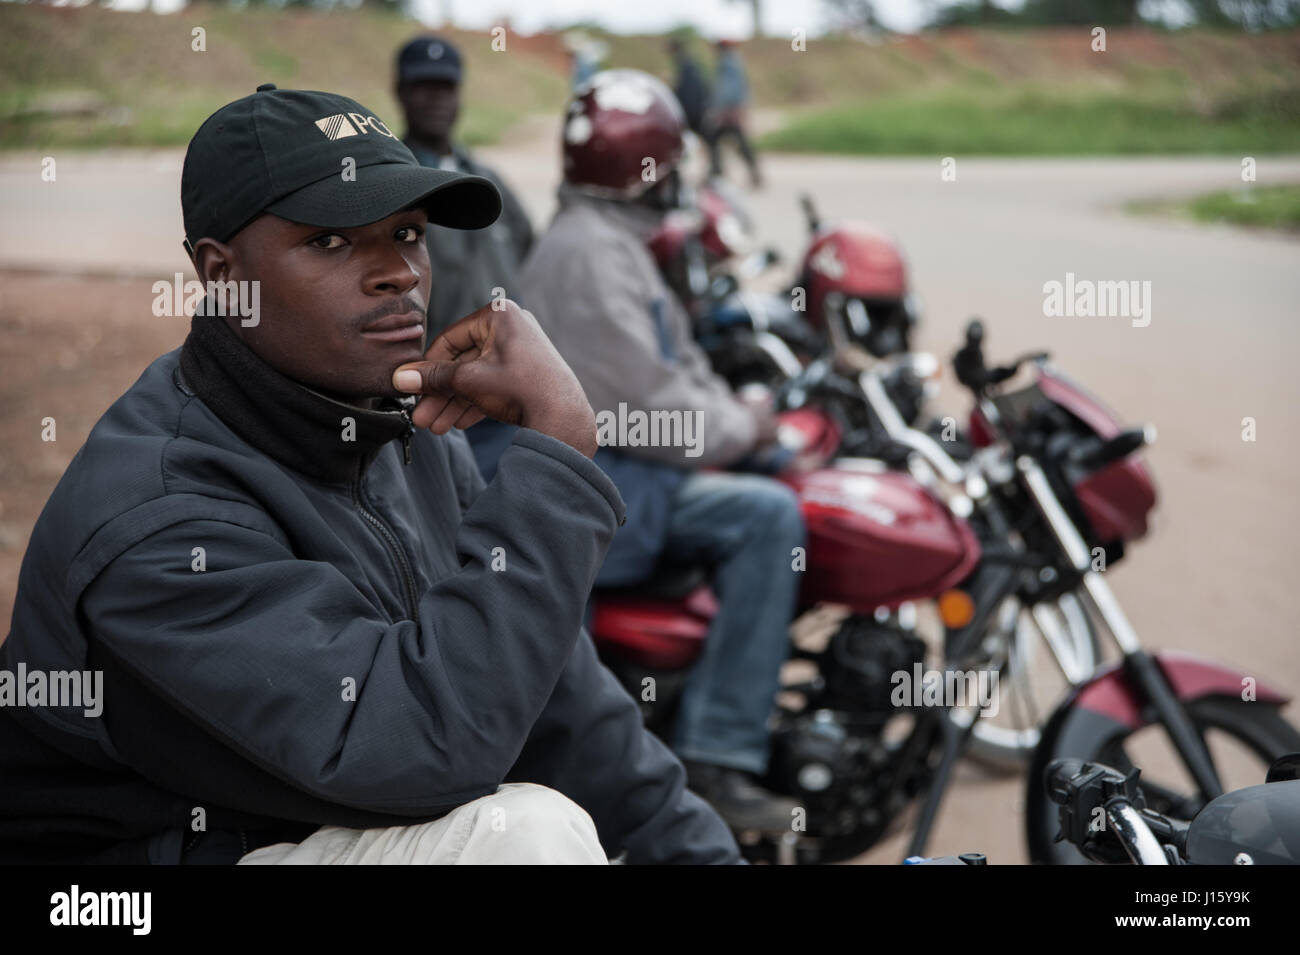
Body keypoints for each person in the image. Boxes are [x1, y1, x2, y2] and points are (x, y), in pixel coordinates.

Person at [0, 84, 739, 866]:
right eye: (331, 242)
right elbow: (424, 748)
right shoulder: (160, 516)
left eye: (408, 232)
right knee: (521, 837)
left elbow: (568, 711)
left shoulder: (400, 434)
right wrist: (557, 451)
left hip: (296, 827)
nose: (400, 273)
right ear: (222, 273)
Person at [482, 70, 804, 833]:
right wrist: (750, 429)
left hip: (613, 461)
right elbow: (653, 411)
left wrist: (745, 418)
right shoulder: (593, 256)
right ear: (645, 168)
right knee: (771, 517)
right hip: (603, 478)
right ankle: (721, 750)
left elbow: (674, 370)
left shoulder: (607, 241)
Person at [393, 35, 534, 344]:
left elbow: (527, 247)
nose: (437, 99)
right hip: (435, 371)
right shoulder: (394, 186)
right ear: (400, 92)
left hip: (506, 363)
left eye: (447, 88)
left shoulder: (487, 180)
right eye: (424, 87)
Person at [707, 39, 762, 188]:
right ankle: (718, 171)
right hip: (732, 110)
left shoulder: (728, 63)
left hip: (729, 112)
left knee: (721, 140)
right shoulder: (735, 61)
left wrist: (721, 110)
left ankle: (717, 172)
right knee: (728, 141)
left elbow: (728, 89)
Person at [668, 36, 709, 138]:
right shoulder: (686, 62)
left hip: (691, 107)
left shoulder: (685, 64)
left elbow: (688, 88)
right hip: (693, 105)